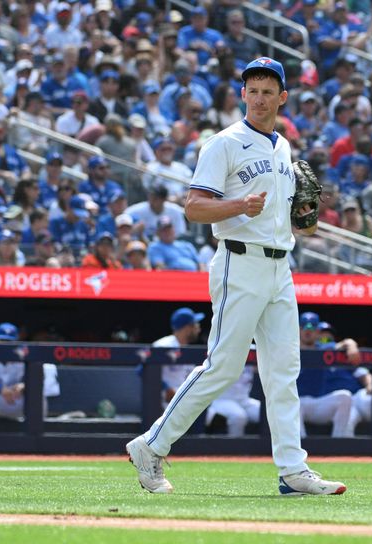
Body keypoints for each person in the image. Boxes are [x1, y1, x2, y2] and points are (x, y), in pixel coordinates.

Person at [126, 57, 347, 496]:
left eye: (269, 90)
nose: (260, 97)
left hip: (280, 265)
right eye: (253, 89)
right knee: (223, 366)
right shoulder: (223, 143)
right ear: (242, 94)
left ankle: (292, 470)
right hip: (238, 261)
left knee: (284, 372)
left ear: (282, 97)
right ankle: (151, 445)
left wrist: (304, 219)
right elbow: (193, 207)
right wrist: (237, 206)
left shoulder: (283, 148)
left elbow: (300, 226)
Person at [0, 323, 53, 434]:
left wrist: (24, 385)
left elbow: (39, 375)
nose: (5, 345)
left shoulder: (24, 353)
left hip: (16, 400)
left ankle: (36, 438)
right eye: (2, 340)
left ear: (16, 342)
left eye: (9, 342)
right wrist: (0, 389)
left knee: (38, 394)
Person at [295, 312, 353, 438]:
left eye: (312, 328)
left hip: (320, 402)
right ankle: (300, 445)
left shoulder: (324, 348)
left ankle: (338, 443)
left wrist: (351, 345)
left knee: (345, 396)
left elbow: (345, 343)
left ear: (317, 332)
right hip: (300, 403)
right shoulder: (291, 350)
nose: (307, 331)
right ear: (298, 329)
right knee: (293, 403)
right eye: (304, 327)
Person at [151, 308, 204, 409]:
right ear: (188, 328)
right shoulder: (163, 345)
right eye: (196, 325)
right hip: (163, 402)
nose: (198, 329)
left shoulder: (187, 349)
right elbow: (141, 369)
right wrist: (165, 388)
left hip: (183, 398)